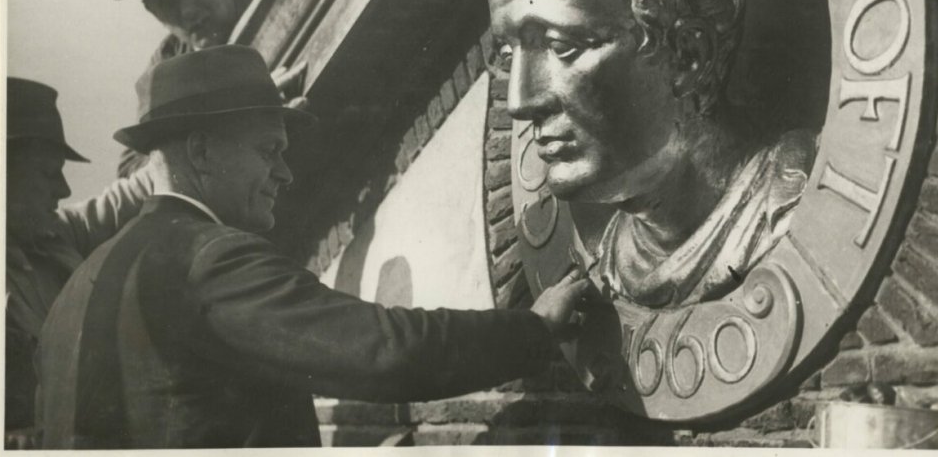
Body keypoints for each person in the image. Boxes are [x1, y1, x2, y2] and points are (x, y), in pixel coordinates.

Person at [39, 45, 589, 449]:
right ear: (202, 152)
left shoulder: (74, 290)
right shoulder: (212, 259)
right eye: (268, 151)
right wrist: (534, 330)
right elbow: (386, 350)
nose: (284, 174)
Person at [481, 0, 815, 309]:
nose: (521, 101)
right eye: (510, 57)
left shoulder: (788, 203)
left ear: (687, 56)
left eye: (562, 46)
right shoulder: (610, 268)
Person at [5, 78, 153, 449]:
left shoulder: (55, 235)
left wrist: (224, 121)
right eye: (47, 173)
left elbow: (133, 194)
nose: (64, 190)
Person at [112, 0, 300, 178]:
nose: (187, 11)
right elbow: (131, 169)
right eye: (166, 3)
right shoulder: (166, 68)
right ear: (151, 11)